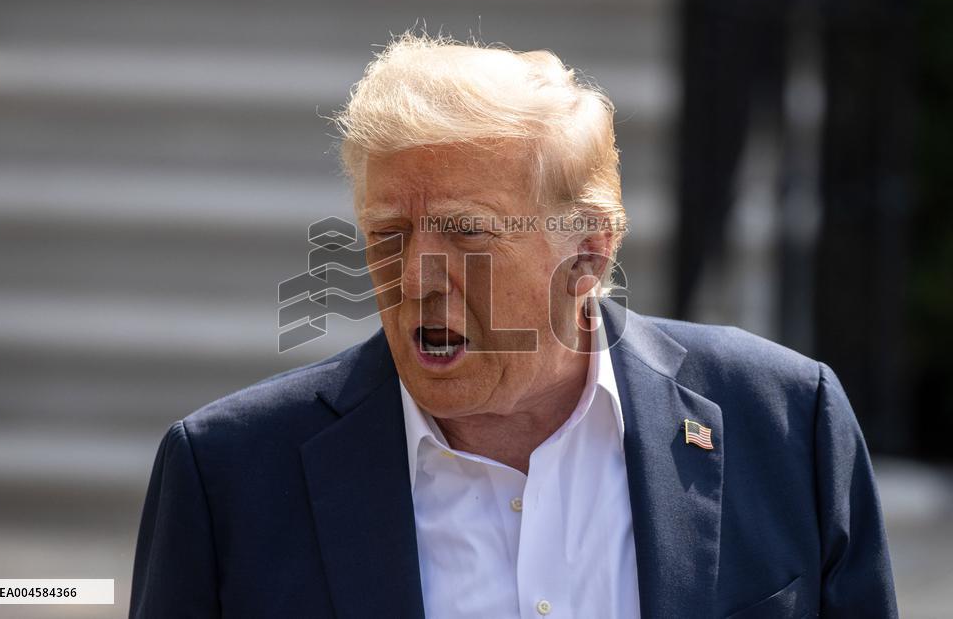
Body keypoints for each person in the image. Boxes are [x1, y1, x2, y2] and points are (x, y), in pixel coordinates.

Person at [129, 33, 897, 618]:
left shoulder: (790, 422)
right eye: (388, 234)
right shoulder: (227, 474)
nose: (419, 276)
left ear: (588, 252)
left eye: (469, 233)